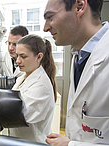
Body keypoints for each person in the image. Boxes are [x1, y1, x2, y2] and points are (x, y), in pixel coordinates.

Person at [43, 0, 109, 145]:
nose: (45, 28)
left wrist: (70, 145)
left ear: (79, 7)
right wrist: (69, 140)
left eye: (50, 17)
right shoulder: (78, 57)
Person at [9, 34, 57, 143]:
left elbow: (20, 116)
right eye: (17, 56)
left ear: (39, 57)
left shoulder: (41, 85)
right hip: (20, 141)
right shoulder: (22, 77)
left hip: (33, 142)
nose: (18, 61)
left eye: (23, 56)